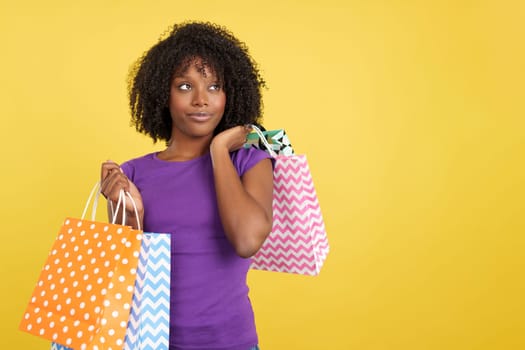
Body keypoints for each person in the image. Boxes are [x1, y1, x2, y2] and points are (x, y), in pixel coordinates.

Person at [100, 22, 273, 350]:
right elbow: (124, 280)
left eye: (213, 86)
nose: (200, 100)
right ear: (161, 94)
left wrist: (219, 150)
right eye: (184, 86)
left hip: (232, 343)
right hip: (152, 344)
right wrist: (132, 213)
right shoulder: (133, 173)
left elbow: (248, 239)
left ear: (230, 93)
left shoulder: (248, 162)